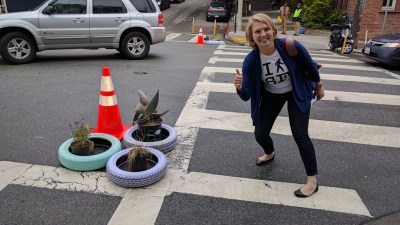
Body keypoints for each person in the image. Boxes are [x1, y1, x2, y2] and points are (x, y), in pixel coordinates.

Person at [233, 13, 325, 198]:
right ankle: (270, 152)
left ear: (273, 30)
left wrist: (319, 86)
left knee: (300, 134)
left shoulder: (290, 46)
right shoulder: (251, 61)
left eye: (266, 29)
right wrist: (240, 86)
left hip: (296, 91)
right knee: (260, 133)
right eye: (257, 31)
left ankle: (312, 181)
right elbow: (246, 96)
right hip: (272, 95)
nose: (263, 34)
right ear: (252, 37)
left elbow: (310, 66)